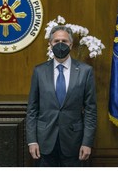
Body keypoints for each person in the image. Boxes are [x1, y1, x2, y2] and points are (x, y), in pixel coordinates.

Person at [26, 25, 97, 167]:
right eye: (56, 41)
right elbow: (32, 109)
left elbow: (91, 110)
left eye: (64, 41)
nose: (60, 44)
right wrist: (32, 140)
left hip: (74, 143)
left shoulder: (85, 71)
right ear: (50, 44)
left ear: (71, 44)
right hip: (44, 142)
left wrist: (87, 142)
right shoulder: (39, 71)